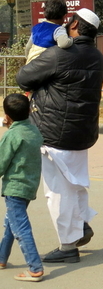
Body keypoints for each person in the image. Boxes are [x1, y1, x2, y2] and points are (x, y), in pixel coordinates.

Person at [16, 8, 103, 263]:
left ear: (75, 25)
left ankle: (68, 246)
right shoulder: (98, 58)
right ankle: (81, 226)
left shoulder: (59, 55)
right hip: (83, 133)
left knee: (57, 192)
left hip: (54, 133)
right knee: (76, 184)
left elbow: (23, 77)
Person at [0, 94, 44, 282]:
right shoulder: (34, 131)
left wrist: (9, 128)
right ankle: (1, 258)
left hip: (15, 187)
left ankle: (35, 267)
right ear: (28, 111)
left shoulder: (11, 135)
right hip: (29, 185)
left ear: (6, 115)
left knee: (20, 228)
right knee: (12, 222)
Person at [25, 0, 73, 64]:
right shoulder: (58, 29)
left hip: (31, 64)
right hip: (45, 65)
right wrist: (71, 39)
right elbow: (63, 44)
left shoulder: (37, 27)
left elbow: (28, 47)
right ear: (64, 16)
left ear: (45, 13)